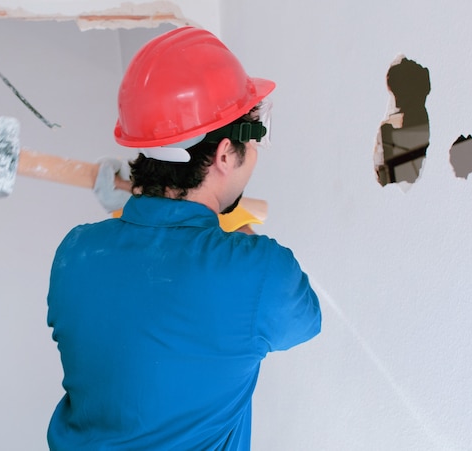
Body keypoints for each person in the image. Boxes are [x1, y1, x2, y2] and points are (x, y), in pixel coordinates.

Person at [46, 26, 321, 450]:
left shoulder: (76, 254)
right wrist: (234, 214)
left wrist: (131, 204)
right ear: (226, 153)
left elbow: (141, 302)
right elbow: (305, 322)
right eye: (256, 134)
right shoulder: (262, 273)